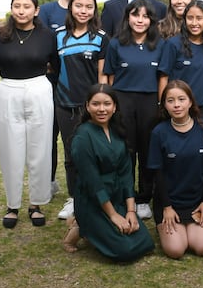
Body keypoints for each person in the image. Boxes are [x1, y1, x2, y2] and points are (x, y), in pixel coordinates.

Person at [0, 0, 59, 228]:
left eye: (27, 6)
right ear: (11, 8)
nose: (21, 10)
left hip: (39, 89)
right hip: (8, 90)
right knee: (11, 148)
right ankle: (13, 204)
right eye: (17, 6)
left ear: (36, 10)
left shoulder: (47, 36)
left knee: (40, 149)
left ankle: (36, 203)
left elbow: (56, 66)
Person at [66, 84, 154, 261]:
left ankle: (87, 227)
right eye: (96, 104)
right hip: (93, 201)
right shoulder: (83, 137)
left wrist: (130, 211)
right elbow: (93, 182)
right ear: (87, 106)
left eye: (107, 104)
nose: (101, 109)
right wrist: (113, 216)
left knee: (146, 244)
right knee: (126, 251)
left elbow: (126, 173)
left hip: (117, 198)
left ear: (114, 107)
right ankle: (80, 227)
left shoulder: (117, 131)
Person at [103, 0, 168, 220]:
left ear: (152, 20)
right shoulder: (115, 43)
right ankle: (126, 194)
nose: (140, 20)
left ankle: (143, 198)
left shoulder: (160, 43)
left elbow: (163, 78)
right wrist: (110, 106)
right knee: (126, 151)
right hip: (123, 101)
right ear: (127, 17)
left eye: (145, 16)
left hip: (149, 102)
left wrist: (161, 105)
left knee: (147, 150)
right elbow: (110, 77)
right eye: (135, 15)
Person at [148, 80, 203, 259]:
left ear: (190, 101)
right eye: (170, 100)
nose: (176, 105)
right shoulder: (159, 132)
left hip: (196, 202)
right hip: (170, 203)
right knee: (176, 250)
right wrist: (166, 206)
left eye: (181, 99)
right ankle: (168, 228)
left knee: (202, 248)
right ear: (164, 105)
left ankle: (189, 228)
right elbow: (157, 173)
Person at [53, 0, 108, 221]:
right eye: (79, 6)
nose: (83, 11)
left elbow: (102, 76)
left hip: (92, 108)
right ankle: (75, 198)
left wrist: (99, 105)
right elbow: (52, 69)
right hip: (65, 105)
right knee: (71, 154)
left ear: (94, 9)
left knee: (96, 152)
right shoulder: (57, 36)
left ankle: (99, 197)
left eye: (88, 6)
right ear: (70, 7)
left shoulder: (101, 38)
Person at [38, 0, 86, 199]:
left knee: (73, 136)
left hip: (76, 84)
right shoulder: (47, 10)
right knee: (49, 133)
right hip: (50, 82)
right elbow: (46, 46)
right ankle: (49, 179)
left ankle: (79, 184)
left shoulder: (85, 8)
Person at [160, 0, 203, 110]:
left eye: (199, 18)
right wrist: (163, 106)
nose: (194, 23)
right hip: (177, 107)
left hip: (201, 107)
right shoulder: (173, 44)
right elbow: (163, 77)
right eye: (190, 18)